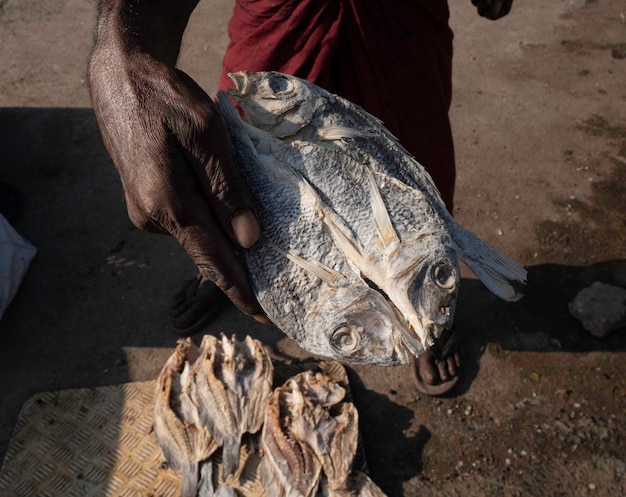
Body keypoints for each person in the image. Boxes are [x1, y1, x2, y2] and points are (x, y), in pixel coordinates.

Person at [87, 0, 513, 395]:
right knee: (240, 149)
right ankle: (237, 263)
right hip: (281, 11)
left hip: (401, 18)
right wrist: (123, 50)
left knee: (413, 156)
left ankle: (424, 311)